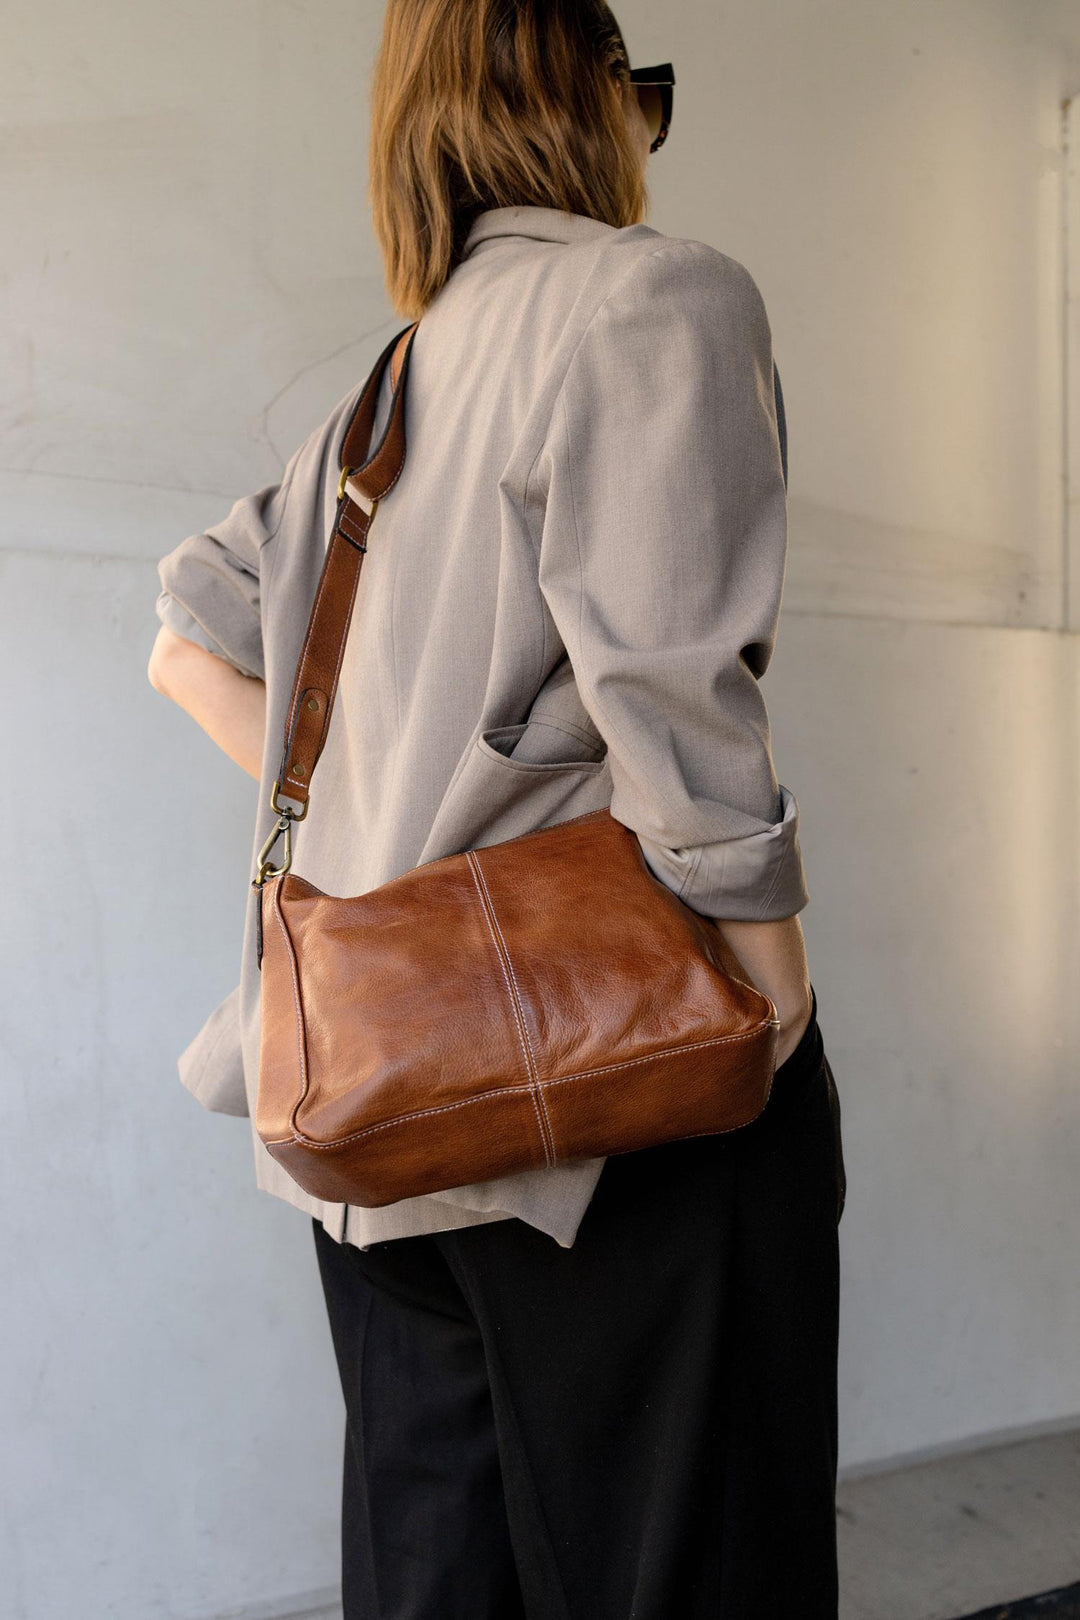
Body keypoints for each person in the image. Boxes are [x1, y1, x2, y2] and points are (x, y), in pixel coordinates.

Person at [147, 1, 847, 1613]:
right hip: (617, 1107)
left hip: (378, 1116)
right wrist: (774, 1002)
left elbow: (183, 640)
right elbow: (672, 687)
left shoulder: (375, 405)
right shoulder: (655, 297)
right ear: (587, 95)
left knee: (439, 1585)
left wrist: (369, 827)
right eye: (640, 97)